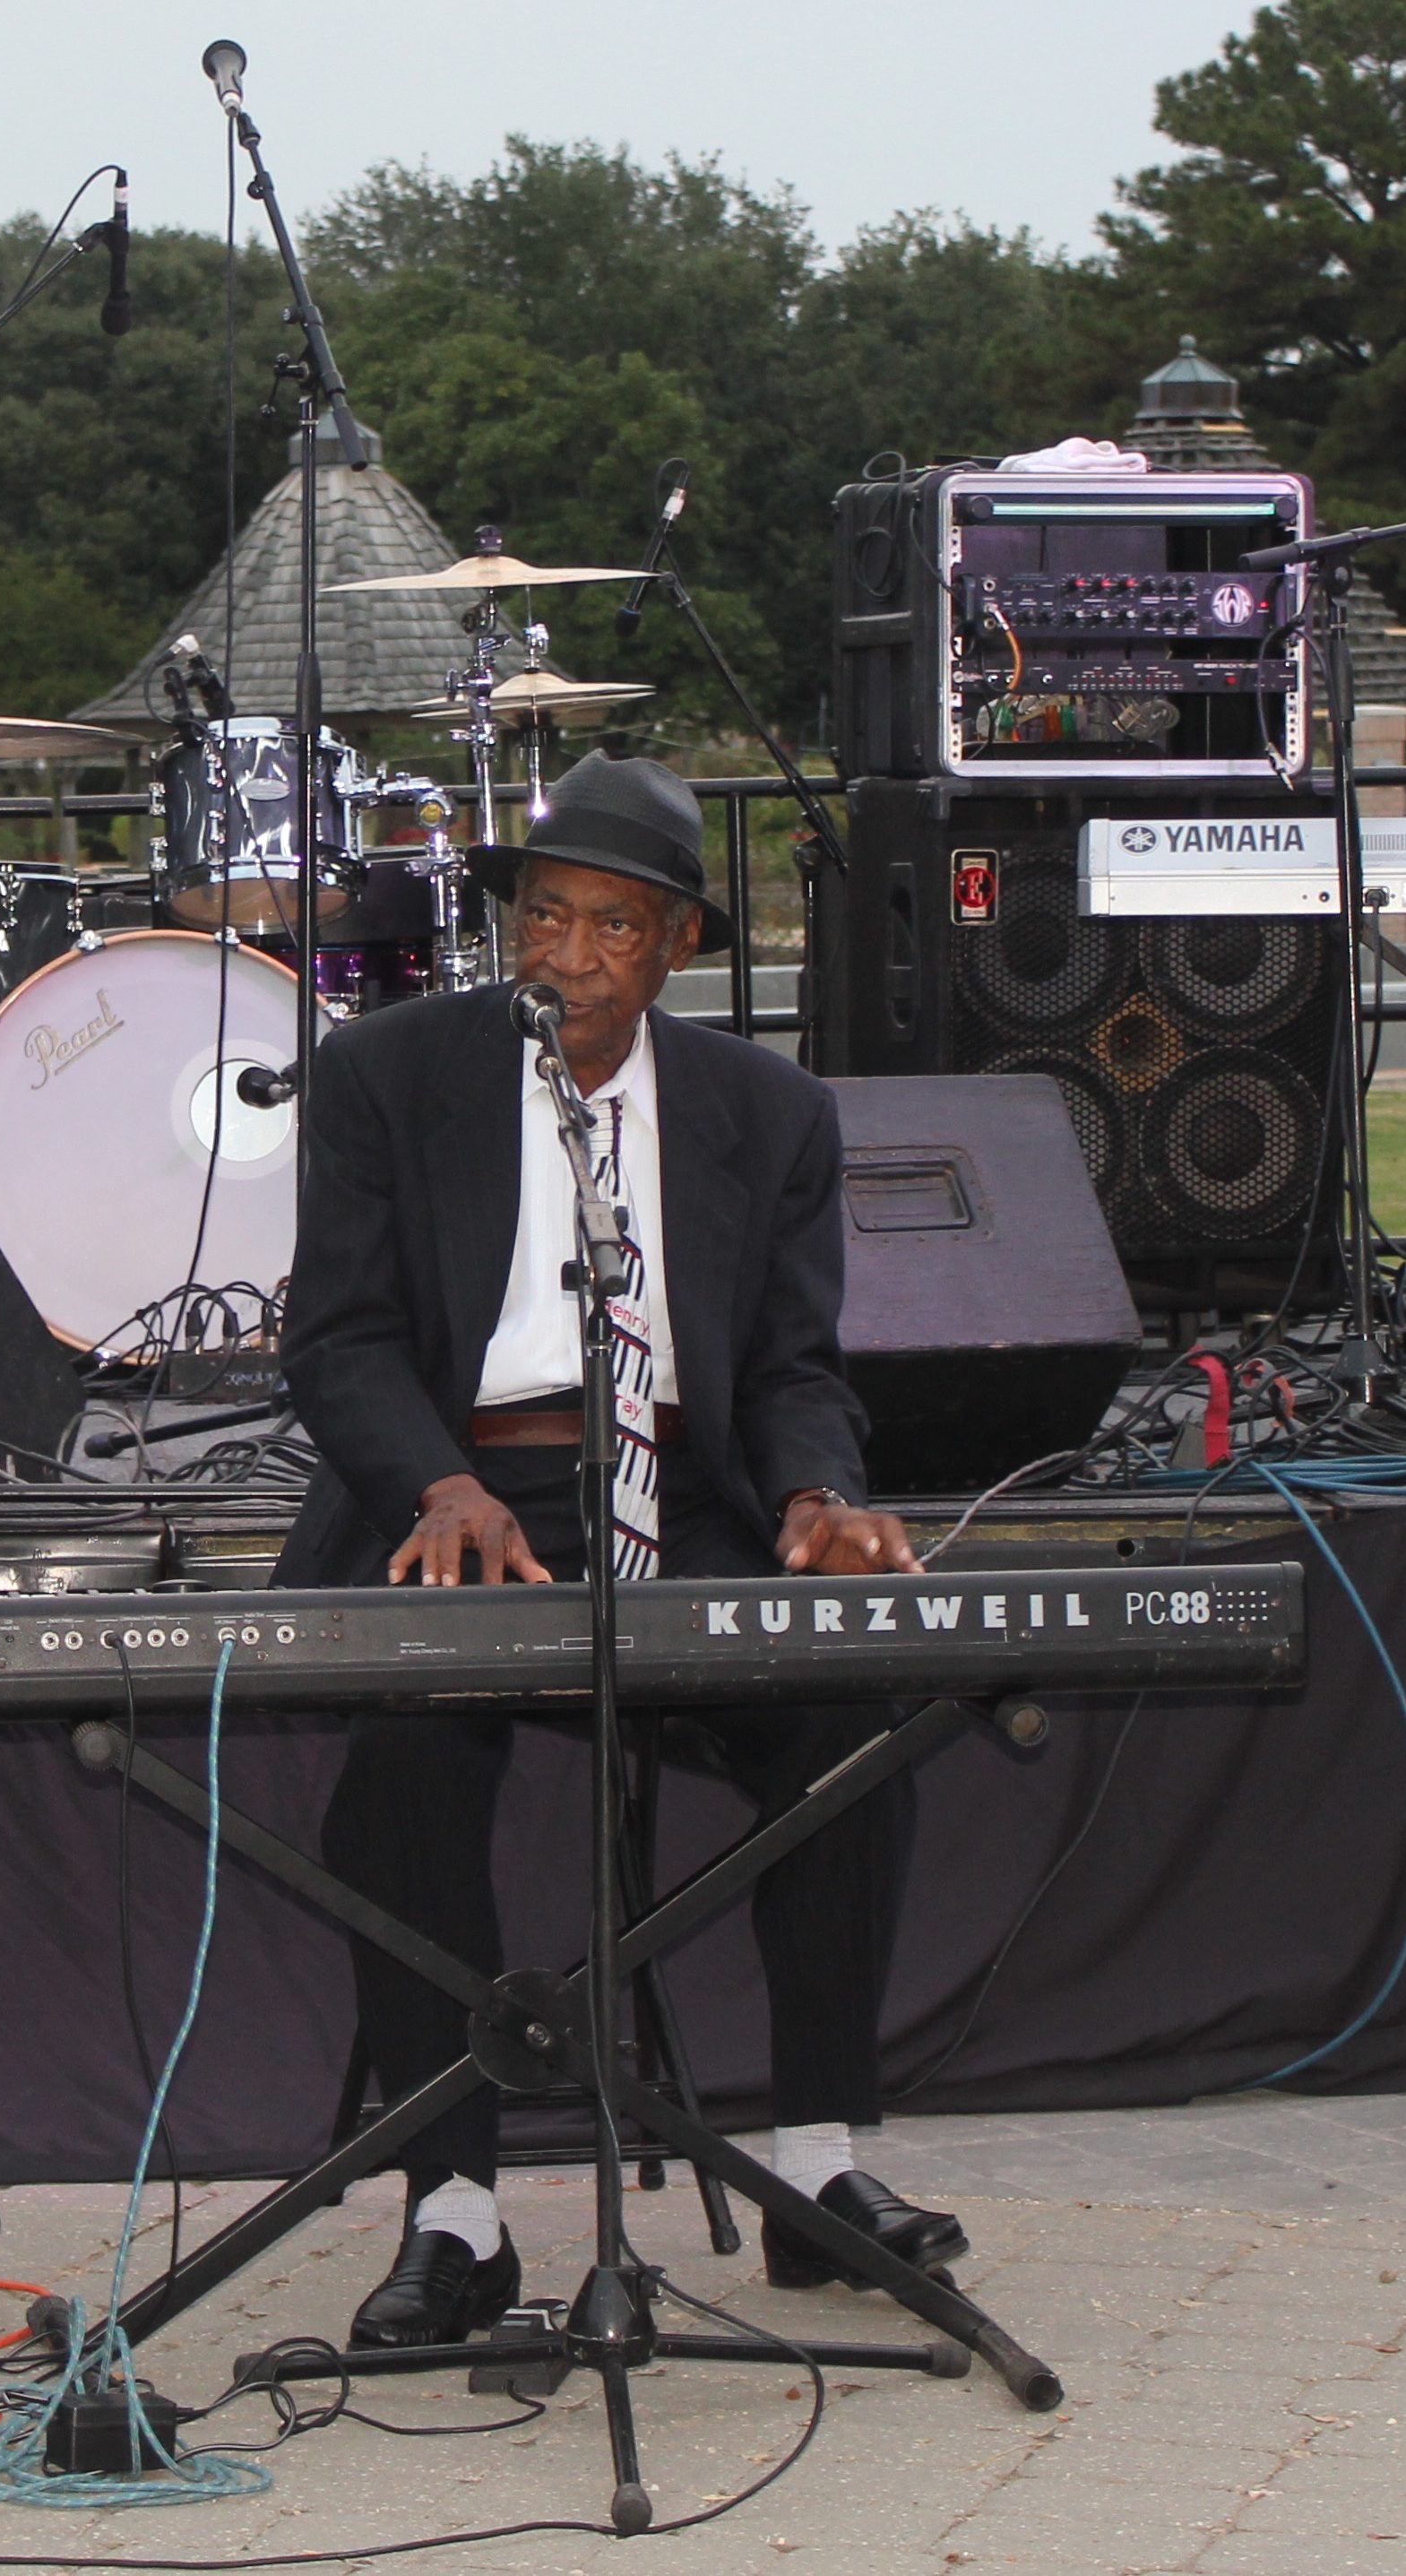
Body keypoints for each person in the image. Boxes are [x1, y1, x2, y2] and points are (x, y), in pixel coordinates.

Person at [278, 754, 970, 2352]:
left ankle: (819, 2170)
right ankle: (454, 2212)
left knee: (853, 1723)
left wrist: (816, 1496)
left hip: (685, 1496)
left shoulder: (769, 1113)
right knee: (405, 1764)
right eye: (544, 917)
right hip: (463, 1489)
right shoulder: (386, 1075)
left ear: (676, 945)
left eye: (609, 926)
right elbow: (341, 1339)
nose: (569, 956)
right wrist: (439, 1483)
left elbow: (793, 1365)